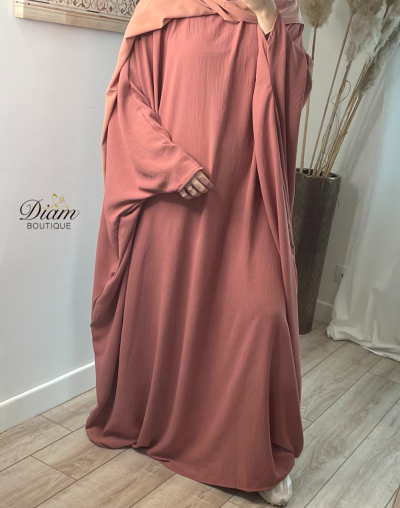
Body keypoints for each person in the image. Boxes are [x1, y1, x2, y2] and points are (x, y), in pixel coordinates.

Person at [85, 0, 314, 505]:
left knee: (261, 317)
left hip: (245, 203)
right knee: (161, 315)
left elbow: (289, 102)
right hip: (171, 205)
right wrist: (169, 165)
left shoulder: (283, 12)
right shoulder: (164, 6)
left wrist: (267, 18)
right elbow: (129, 97)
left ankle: (250, 455)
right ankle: (159, 425)